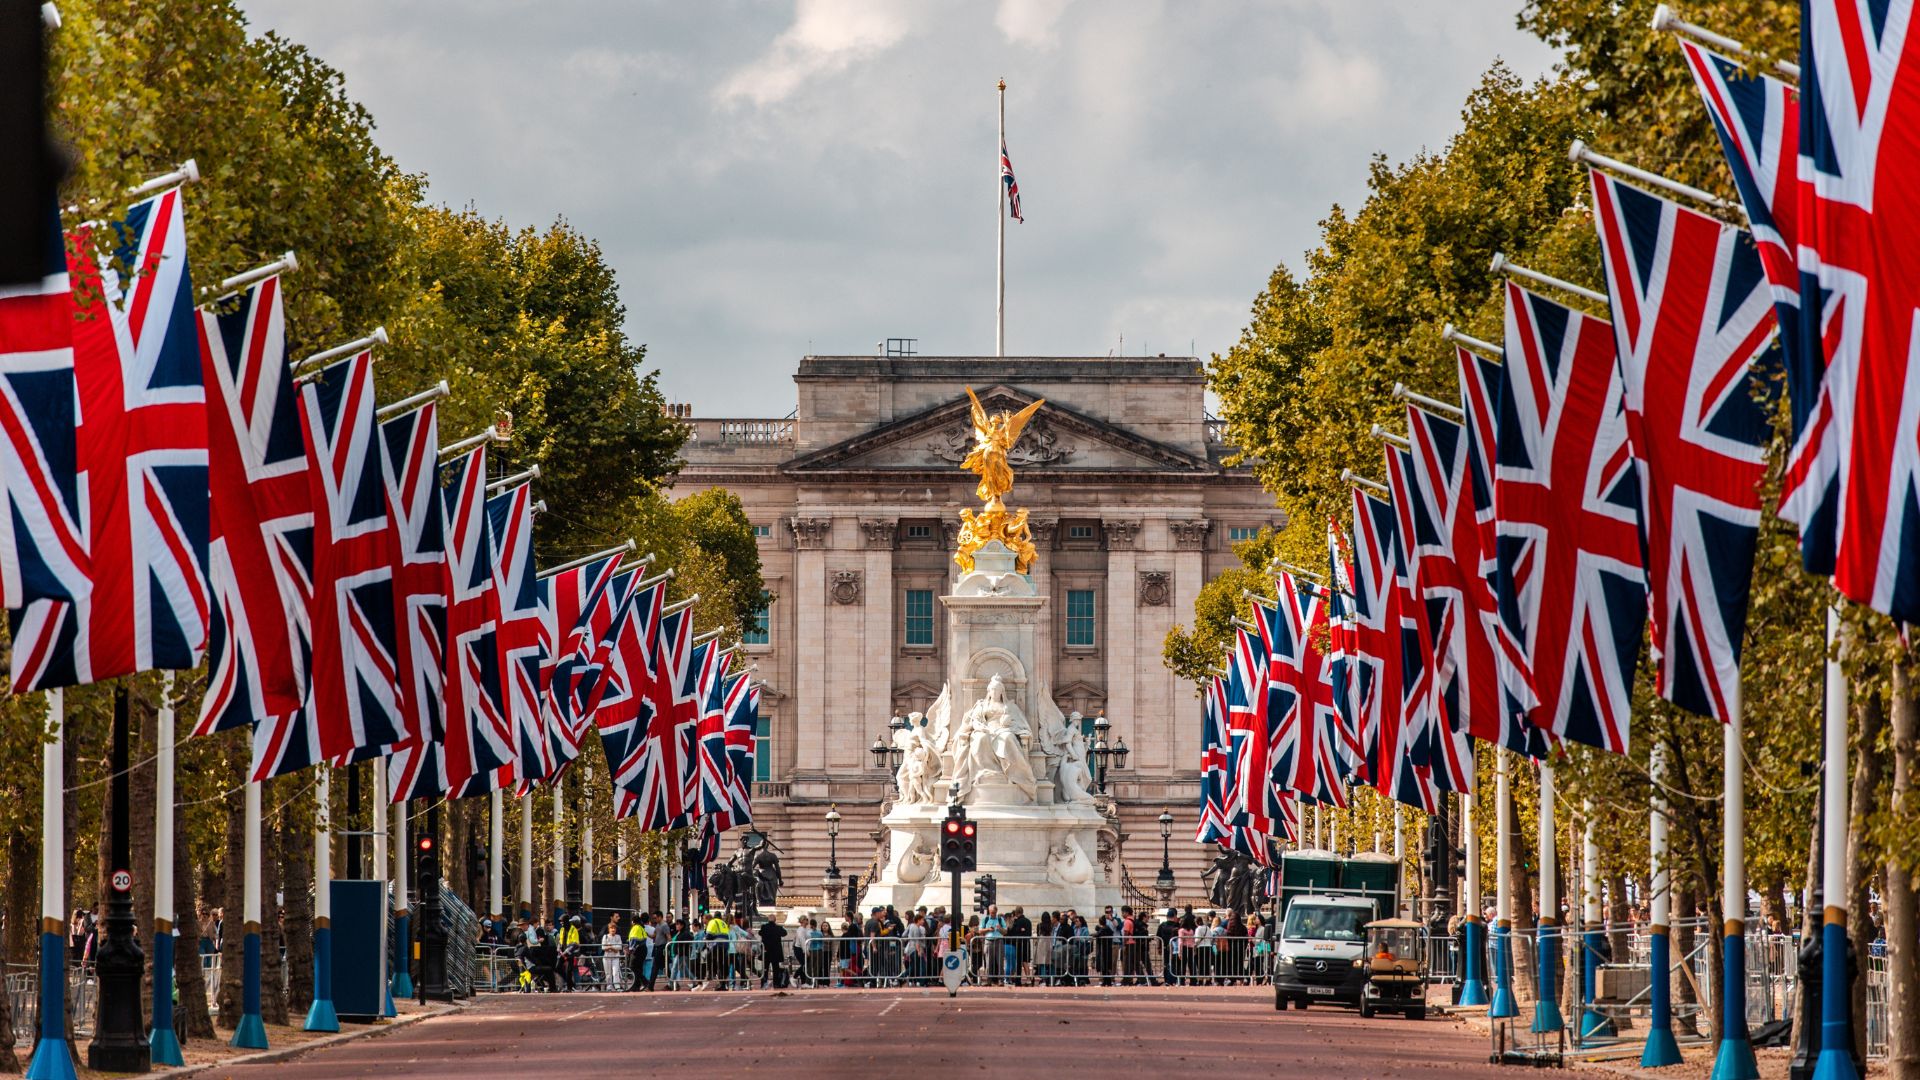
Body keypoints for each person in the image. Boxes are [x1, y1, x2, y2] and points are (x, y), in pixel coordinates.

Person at [759, 915, 789, 988]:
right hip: (775, 952)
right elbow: (785, 933)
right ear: (775, 920)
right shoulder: (778, 928)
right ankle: (776, 983)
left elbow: (760, 933)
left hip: (766, 951)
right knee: (776, 968)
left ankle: (764, 983)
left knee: (765, 968)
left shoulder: (764, 927)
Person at [1157, 909, 1180, 986]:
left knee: (1166, 963)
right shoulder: (1177, 925)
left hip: (1165, 947)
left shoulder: (1162, 925)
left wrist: (1159, 947)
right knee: (1174, 964)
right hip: (1175, 948)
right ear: (1174, 916)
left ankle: (1166, 979)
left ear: (1166, 917)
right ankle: (1173, 979)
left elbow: (1158, 937)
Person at [601, 919, 625, 991]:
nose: (613, 929)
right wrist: (613, 948)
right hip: (607, 957)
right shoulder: (605, 936)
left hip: (615, 957)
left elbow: (619, 947)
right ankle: (609, 987)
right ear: (609, 929)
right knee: (608, 973)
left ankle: (617, 987)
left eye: (614, 928)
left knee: (615, 972)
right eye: (611, 928)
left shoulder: (618, 937)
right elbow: (603, 947)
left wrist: (610, 947)